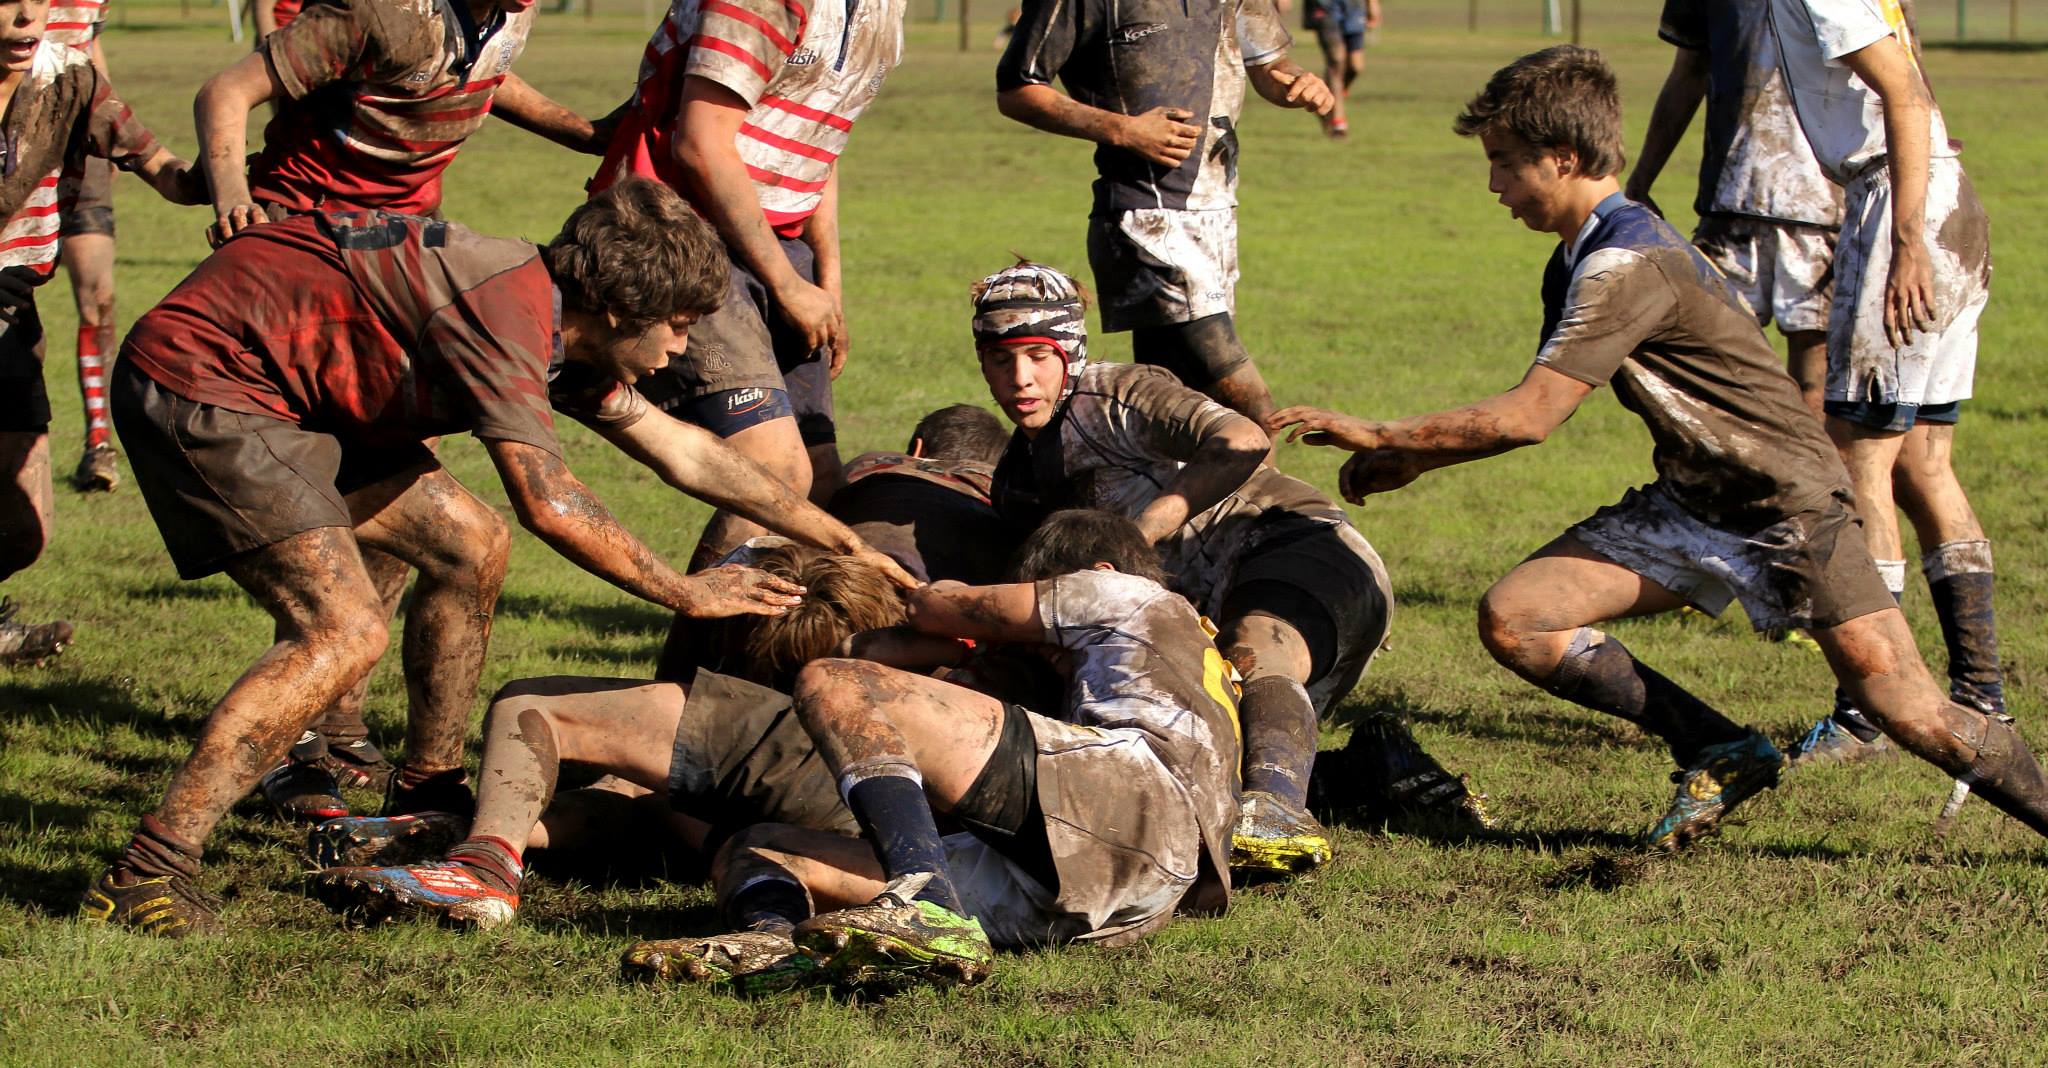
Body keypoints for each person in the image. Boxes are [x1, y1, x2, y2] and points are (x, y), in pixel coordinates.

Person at [1265, 45, 2048, 852]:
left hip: (1787, 508)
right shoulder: (1576, 259)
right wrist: (1419, 460)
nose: (1493, 184)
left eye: (1504, 164)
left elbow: (1532, 415)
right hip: (1691, 501)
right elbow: (1537, 403)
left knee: (1906, 708)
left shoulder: (1625, 262)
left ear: (1563, 158)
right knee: (1520, 617)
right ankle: (1719, 748)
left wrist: (1384, 433)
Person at [78, 179, 909, 937]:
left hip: (304, 396)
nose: (684, 348)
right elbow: (548, 499)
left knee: (468, 546)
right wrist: (682, 592)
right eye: (680, 326)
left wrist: (833, 534)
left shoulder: (559, 319)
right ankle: (150, 868)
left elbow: (682, 452)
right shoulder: (508, 313)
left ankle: (426, 797)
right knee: (342, 632)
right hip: (209, 382)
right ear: (623, 308)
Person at [971, 261, 1489, 877]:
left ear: (1070, 351)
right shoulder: (1020, 476)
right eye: (1001, 361)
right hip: (1208, 610)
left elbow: (1243, 440)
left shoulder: (1116, 394)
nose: (1021, 378)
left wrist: (1135, 535)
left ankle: (1273, 812)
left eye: (1038, 355)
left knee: (1254, 649)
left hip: (1300, 549)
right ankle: (1371, 770)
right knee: (1197, 765)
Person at [622, 509, 1243, 993]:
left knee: (832, 683)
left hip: (1129, 801)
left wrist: (921, 595)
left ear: (1095, 577)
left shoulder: (1131, 597)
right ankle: (775, 941)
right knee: (758, 847)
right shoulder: (1169, 669)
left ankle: (926, 900)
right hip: (1113, 896)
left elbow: (929, 609)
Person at [308, 544, 909, 933]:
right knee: (640, 789)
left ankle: (483, 862)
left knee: (535, 706)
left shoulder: (775, 649)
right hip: (863, 834)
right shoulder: (910, 637)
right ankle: (471, 832)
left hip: (789, 780)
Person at [1766, 0, 2006, 784]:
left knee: (1860, 458)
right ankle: (1983, 693)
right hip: (1942, 194)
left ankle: (1867, 710)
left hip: (1904, 203)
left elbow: (1901, 90)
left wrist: (1902, 241)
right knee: (1923, 463)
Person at [589, 0, 910, 566]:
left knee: (821, 481)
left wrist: (826, 282)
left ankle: (767, 652)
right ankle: (697, 651)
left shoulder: (884, 9)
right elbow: (701, 144)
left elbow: (818, 144)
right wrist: (788, 284)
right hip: (677, 233)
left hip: (777, 246)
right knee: (773, 469)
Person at [995, 0, 1334, 423]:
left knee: (1171, 410)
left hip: (1216, 215)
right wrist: (1124, 129)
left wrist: (1300, 83)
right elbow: (1017, 90)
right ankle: (1268, 492)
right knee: (1245, 409)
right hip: (1144, 220)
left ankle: (1086, 481)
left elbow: (1269, 66)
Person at [0, 0, 206, 665]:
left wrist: (219, 180)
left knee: (25, 530)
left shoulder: (68, 77)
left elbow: (155, 161)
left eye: (34, 1)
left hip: (12, 309)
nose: (26, 17)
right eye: (7, 4)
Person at [195, 0, 608, 243]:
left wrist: (583, 132)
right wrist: (234, 199)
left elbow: (472, 69)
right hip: (311, 218)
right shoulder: (380, 12)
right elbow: (227, 91)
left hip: (413, 222)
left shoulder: (514, 12)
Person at [1626, 0, 1841, 419]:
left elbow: (1900, 81)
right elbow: (1687, 72)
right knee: (1716, 369)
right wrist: (1641, 180)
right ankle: (1739, 481)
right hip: (1730, 204)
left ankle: (1811, 484)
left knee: (1816, 382)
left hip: (1825, 207)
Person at [46, 0, 121, 492]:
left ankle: (99, 443)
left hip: (78, 144)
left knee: (98, 296)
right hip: (12, 140)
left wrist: (110, 130)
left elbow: (92, 46)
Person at [1302, 0, 1380, 138]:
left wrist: (1372, 4)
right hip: (1324, 6)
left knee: (1356, 67)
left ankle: (1326, 98)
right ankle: (1338, 123)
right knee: (1336, 60)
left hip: (1354, 7)